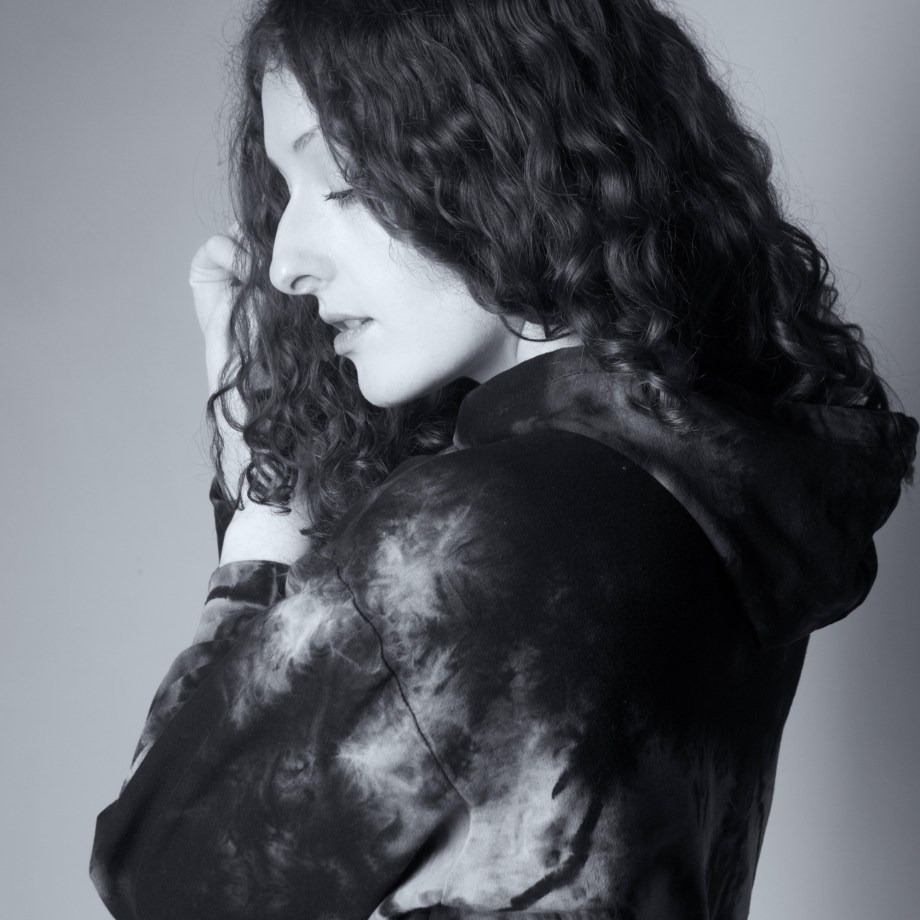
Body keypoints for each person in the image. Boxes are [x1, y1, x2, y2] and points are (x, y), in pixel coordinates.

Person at [89, 0, 917, 917]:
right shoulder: (718, 487)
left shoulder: (475, 535)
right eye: (285, 194)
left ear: (499, 159)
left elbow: (160, 875)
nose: (284, 263)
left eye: (341, 183)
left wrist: (263, 496)